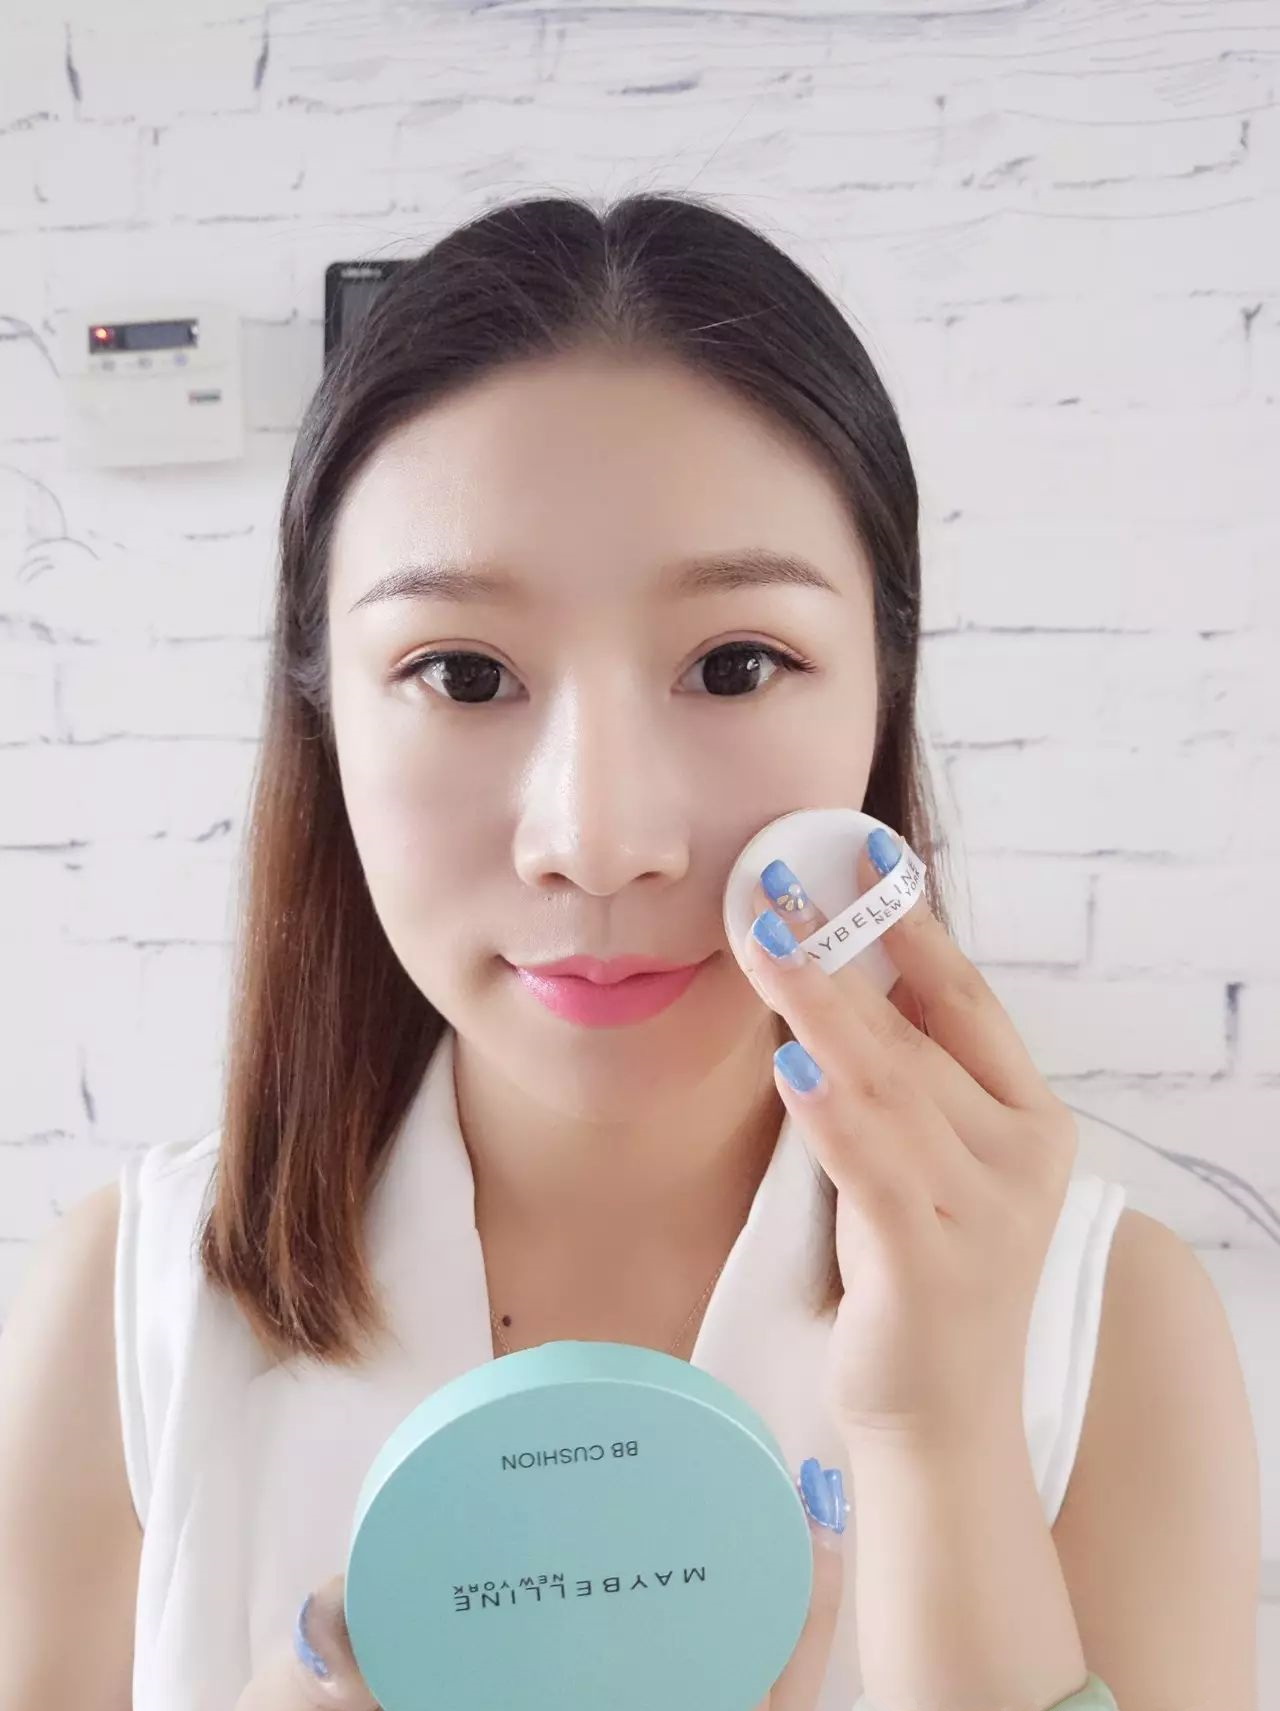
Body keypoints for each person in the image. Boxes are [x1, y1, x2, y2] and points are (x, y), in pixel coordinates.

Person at [0, 192, 1258, 1711]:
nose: (596, 840)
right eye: (463, 674)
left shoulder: (1107, 1320)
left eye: (735, 665)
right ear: (325, 718)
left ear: (881, 692)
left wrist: (942, 1441)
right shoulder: (131, 1308)